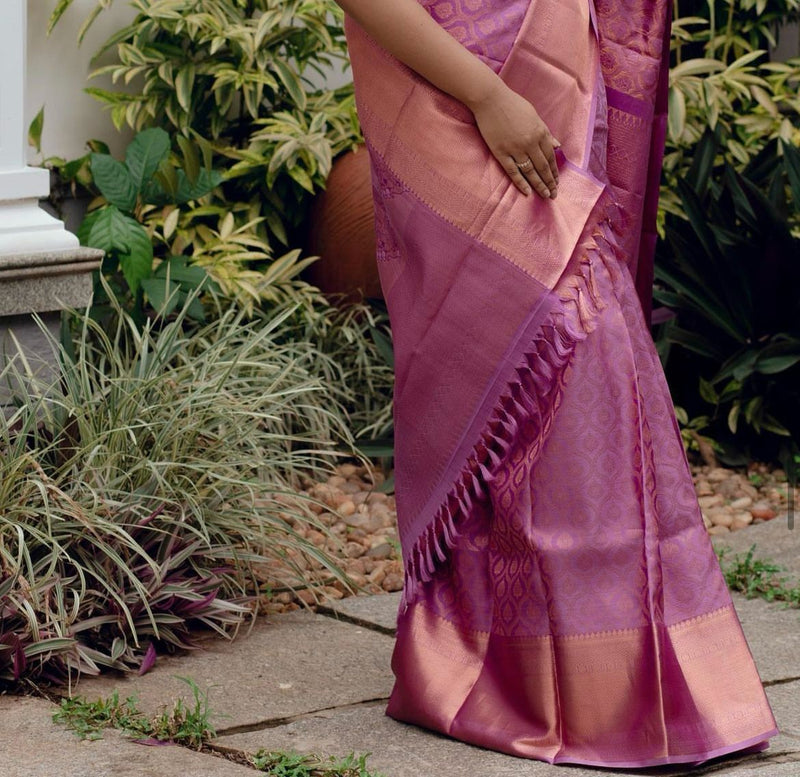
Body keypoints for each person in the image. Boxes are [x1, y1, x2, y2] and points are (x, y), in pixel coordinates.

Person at [333, 0, 780, 768]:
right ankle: (519, 679)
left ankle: (559, 671)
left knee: (573, 391)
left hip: (558, 84)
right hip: (455, 88)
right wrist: (487, 96)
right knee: (554, 356)